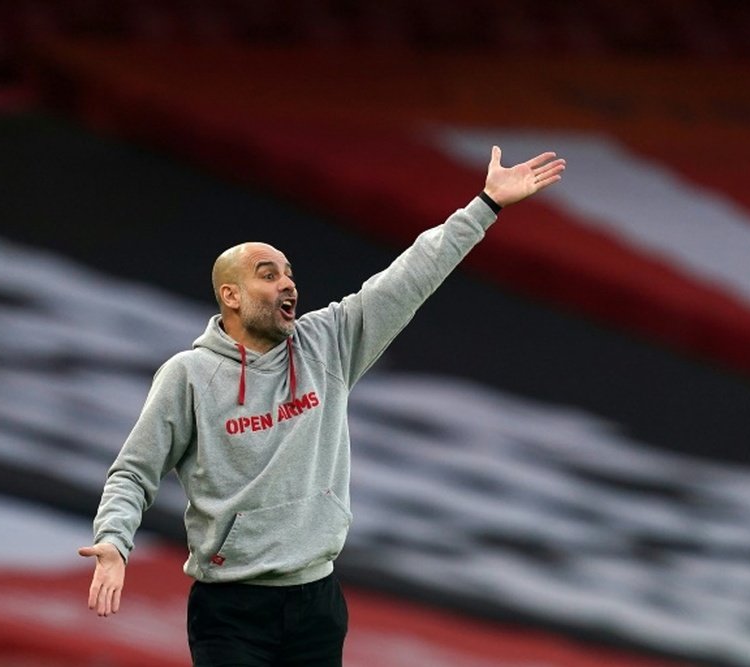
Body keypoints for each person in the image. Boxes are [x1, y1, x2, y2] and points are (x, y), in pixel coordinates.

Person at [78, 145, 566, 666]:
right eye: (268, 274)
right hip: (231, 608)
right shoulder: (189, 376)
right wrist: (113, 540)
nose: (287, 282)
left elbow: (410, 275)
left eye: (288, 272)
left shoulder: (327, 343)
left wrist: (486, 204)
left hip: (317, 601)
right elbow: (133, 473)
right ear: (231, 296)